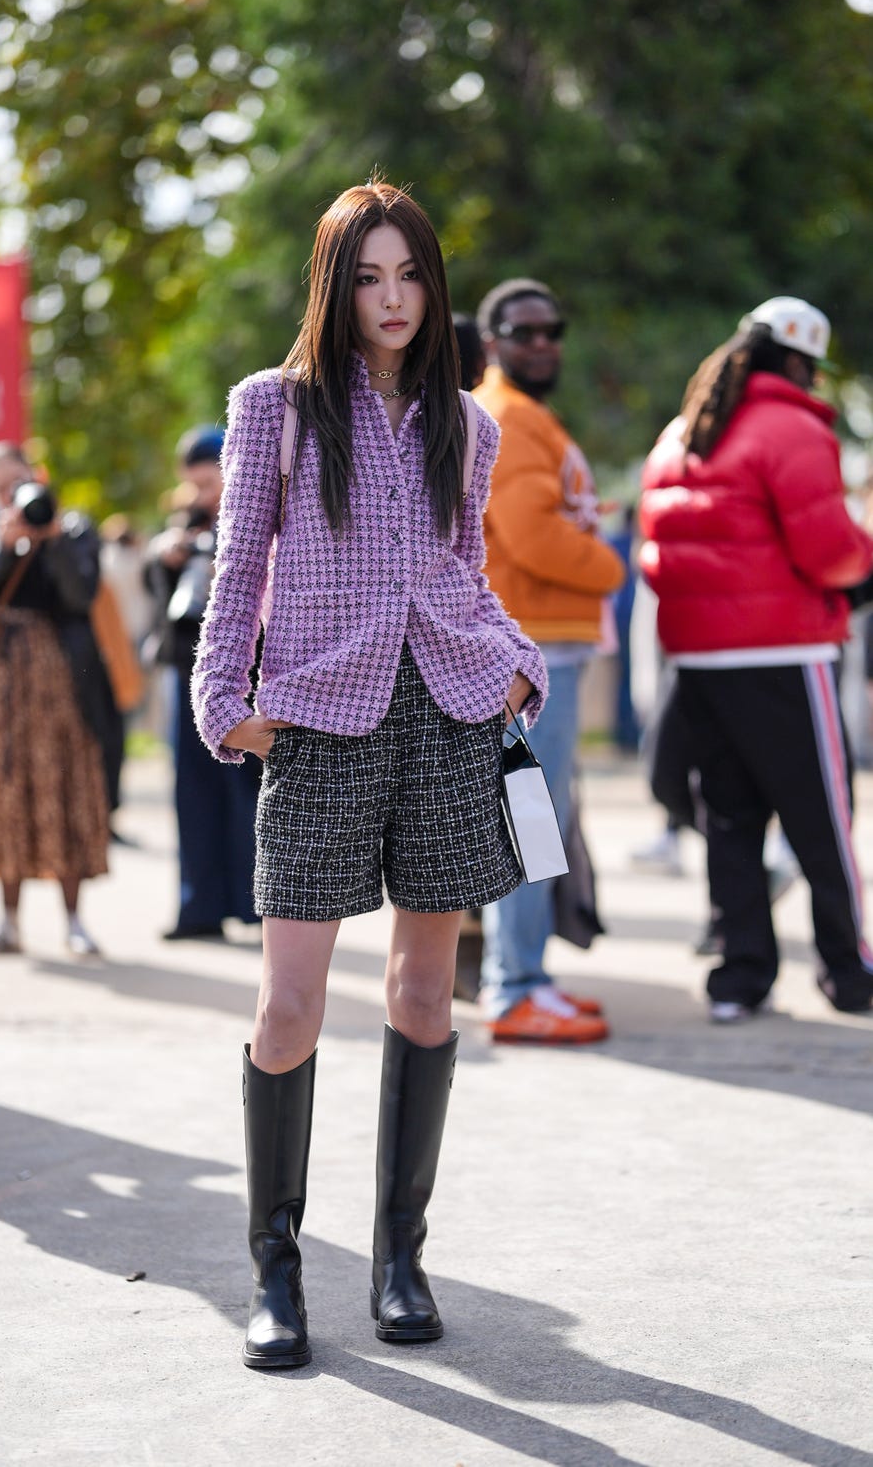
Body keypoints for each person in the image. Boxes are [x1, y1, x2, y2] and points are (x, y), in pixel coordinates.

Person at [191, 181, 546, 1370]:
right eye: (367, 277)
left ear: (430, 286)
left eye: (408, 276)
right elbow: (237, 568)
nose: (391, 300)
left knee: (424, 995)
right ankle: (276, 1271)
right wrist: (222, 706)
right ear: (333, 285)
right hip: (320, 722)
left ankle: (399, 1259)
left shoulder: (468, 422)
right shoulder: (273, 407)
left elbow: (465, 575)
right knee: (287, 1003)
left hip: (448, 712)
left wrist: (515, 663)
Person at [639, 296, 873, 1021]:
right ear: (800, 361)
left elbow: (658, 552)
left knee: (731, 823)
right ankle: (847, 974)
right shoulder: (793, 428)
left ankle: (741, 978)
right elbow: (830, 549)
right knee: (821, 820)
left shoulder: (683, 430)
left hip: (702, 659)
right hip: (784, 653)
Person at [472, 278, 625, 1043]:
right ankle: (514, 987)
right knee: (528, 818)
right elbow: (532, 537)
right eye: (522, 331)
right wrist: (612, 565)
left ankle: (526, 976)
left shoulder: (527, 416)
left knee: (537, 816)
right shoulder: (509, 415)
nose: (541, 343)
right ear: (492, 340)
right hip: (529, 649)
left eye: (551, 329)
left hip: (540, 644)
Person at [0, 441, 110, 958]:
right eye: (3, 487)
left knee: (64, 785)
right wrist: (2, 548)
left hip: (61, 682)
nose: (14, 495)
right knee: (5, 790)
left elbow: (81, 596)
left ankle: (74, 919)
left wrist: (52, 541)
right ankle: (7, 922)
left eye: (19, 482)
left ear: (37, 477)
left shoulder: (71, 529)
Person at [145, 428, 261, 941]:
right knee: (190, 789)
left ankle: (259, 906)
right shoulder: (186, 522)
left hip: (246, 670)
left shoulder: (257, 512)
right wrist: (166, 559)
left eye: (208, 481)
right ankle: (199, 907)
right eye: (192, 484)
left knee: (248, 788)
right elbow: (165, 600)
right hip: (187, 667)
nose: (201, 494)